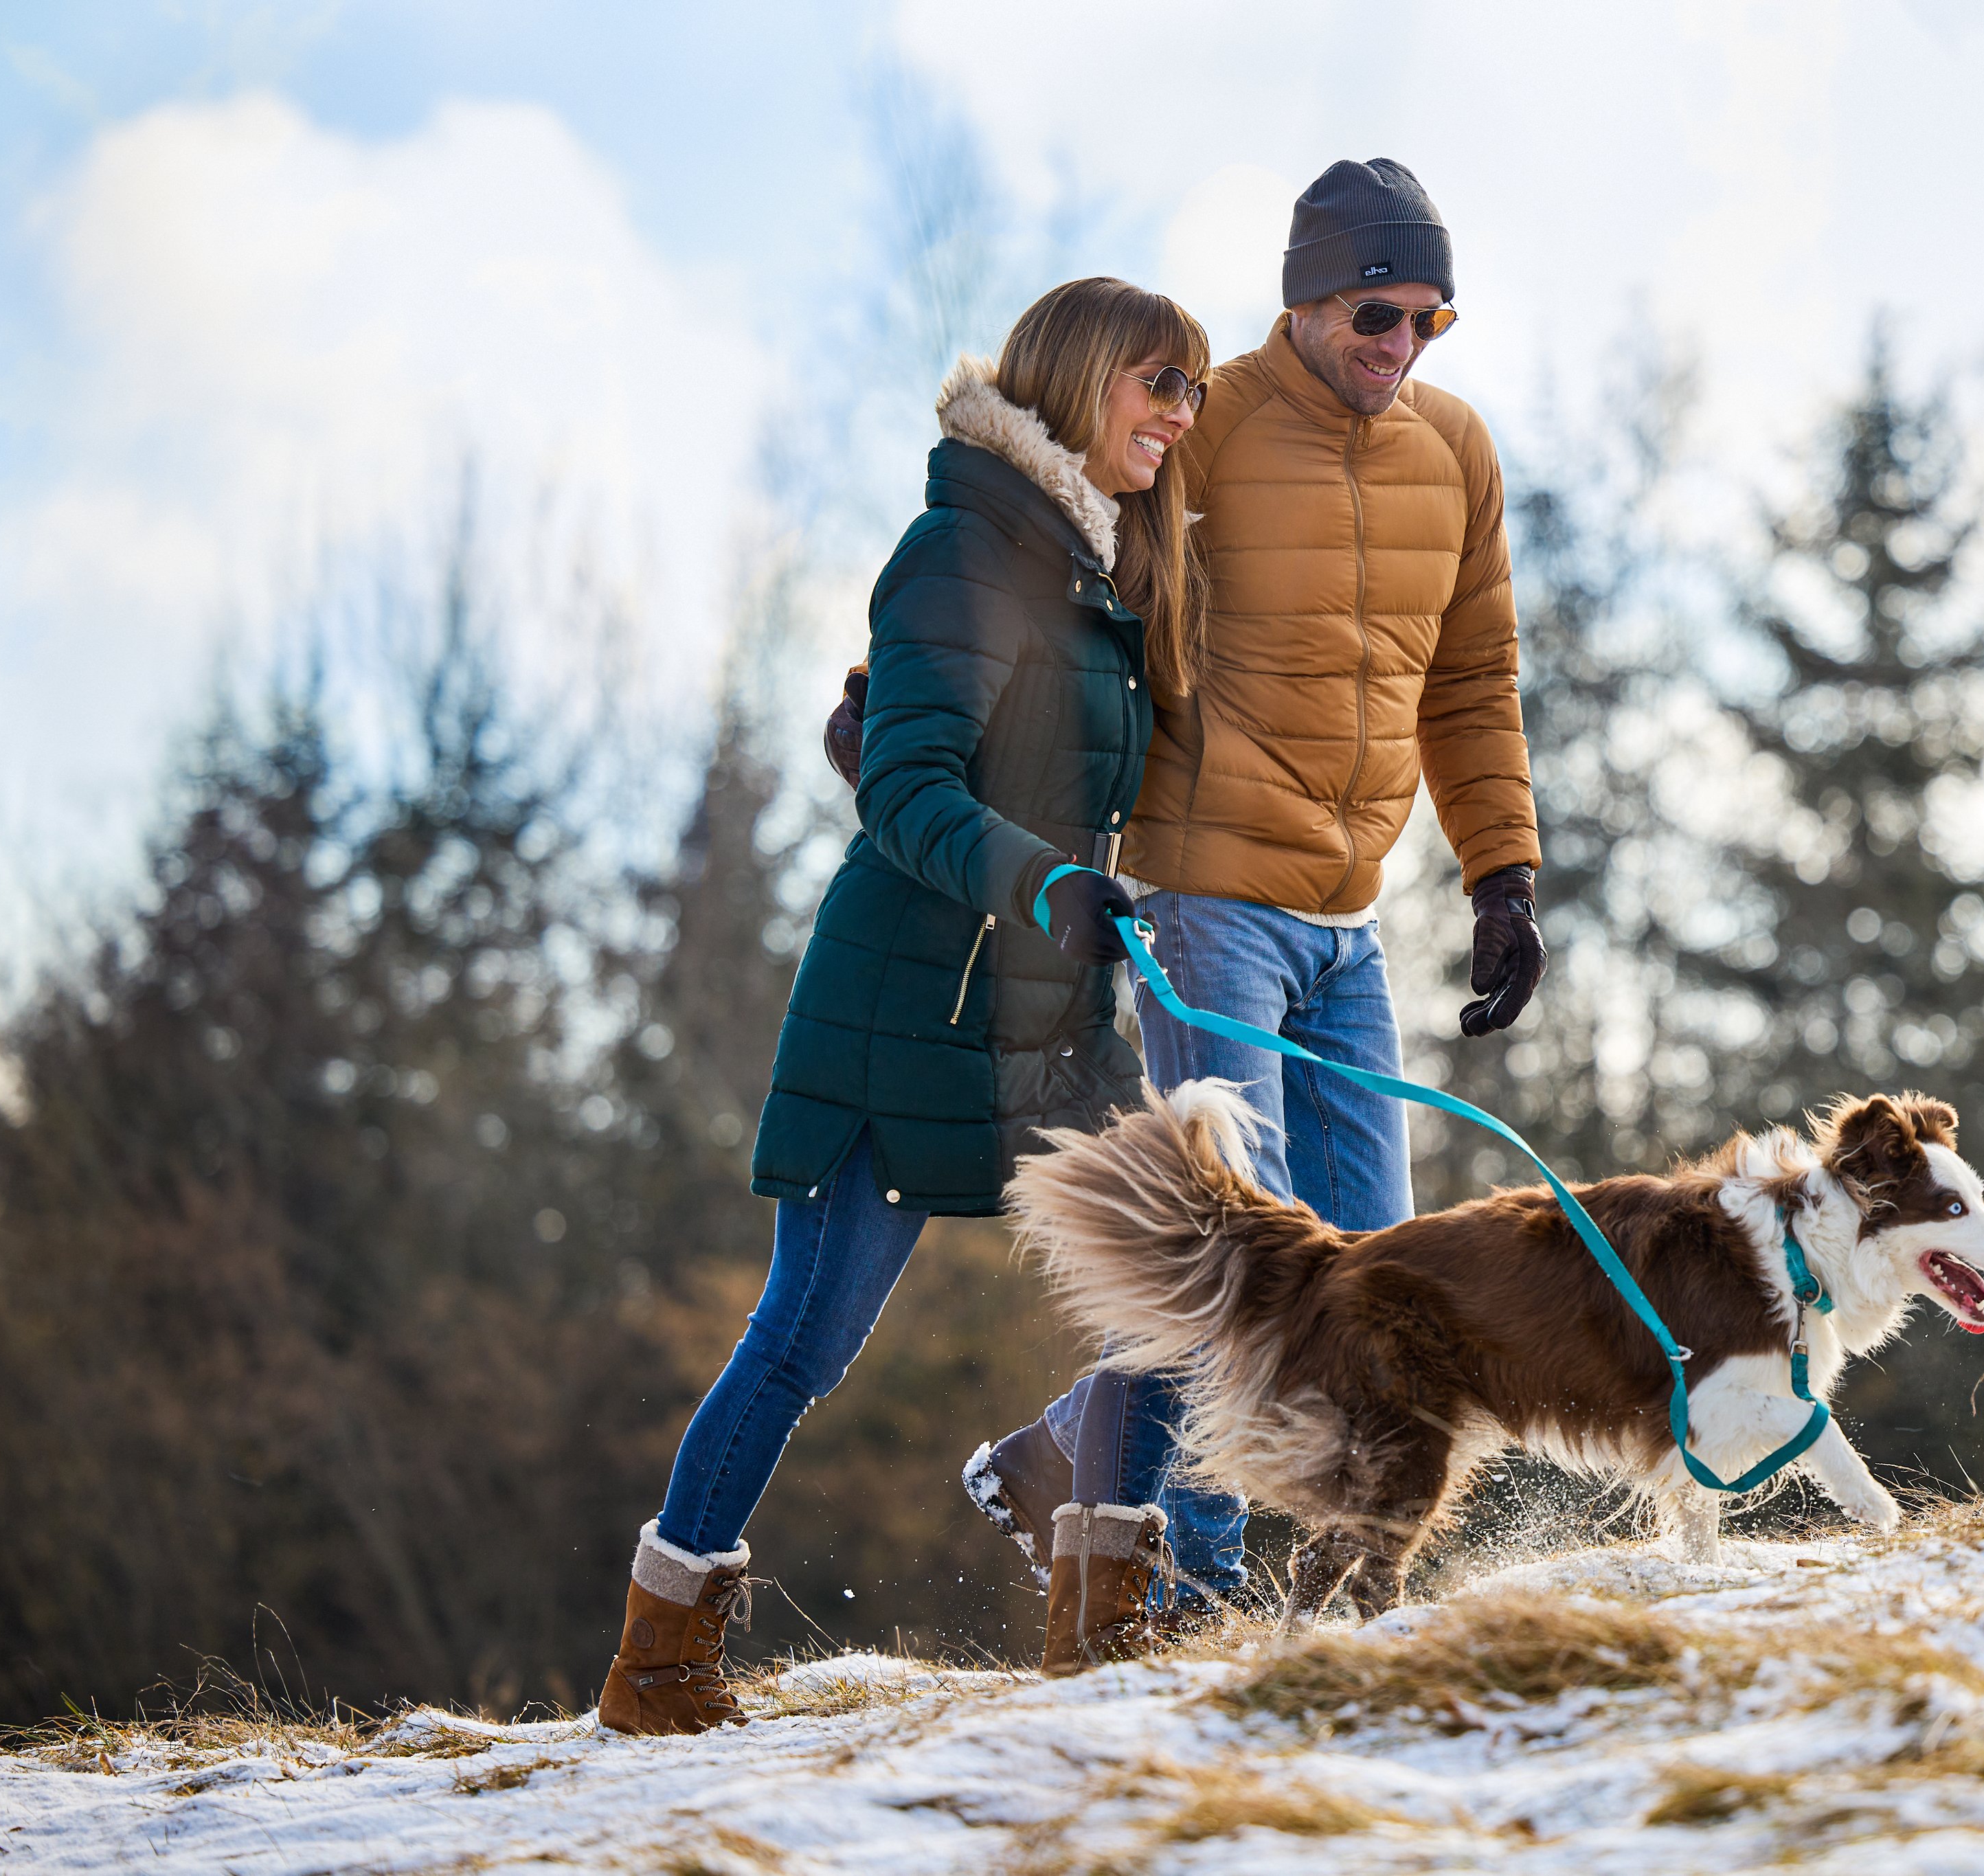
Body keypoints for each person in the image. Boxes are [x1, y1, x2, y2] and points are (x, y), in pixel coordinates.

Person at [593, 278, 1210, 1736]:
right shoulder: (962, 551)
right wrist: (1048, 879)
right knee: (806, 1335)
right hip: (903, 1012)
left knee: (1182, 1281)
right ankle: (661, 1658)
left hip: (1048, 1019)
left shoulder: (1102, 573)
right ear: (1073, 384)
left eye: (1189, 391)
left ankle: (1103, 1622)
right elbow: (907, 790)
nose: (1178, 416)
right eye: (1154, 383)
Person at [962, 159, 1548, 1670]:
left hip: (1349, 919)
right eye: (1377, 308)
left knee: (1377, 1264)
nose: (1401, 341)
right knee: (1248, 1251)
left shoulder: (1455, 450)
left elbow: (1470, 679)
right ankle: (1204, 1585)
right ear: (1306, 294)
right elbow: (1040, 555)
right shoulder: (1203, 419)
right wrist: (883, 697)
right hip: (1201, 882)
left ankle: (1082, 1466)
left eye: (1430, 317)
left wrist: (1499, 874)